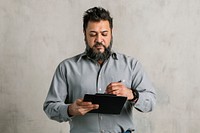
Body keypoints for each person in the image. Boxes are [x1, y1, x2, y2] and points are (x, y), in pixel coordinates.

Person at [43, 7, 156, 133]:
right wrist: (70, 109)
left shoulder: (131, 65)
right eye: (93, 34)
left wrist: (131, 94)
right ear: (84, 34)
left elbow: (150, 102)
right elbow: (50, 107)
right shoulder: (66, 68)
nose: (99, 40)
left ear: (111, 33)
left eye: (104, 34)